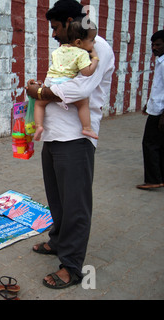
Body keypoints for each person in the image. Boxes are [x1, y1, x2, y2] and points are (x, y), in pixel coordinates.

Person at [25, 0, 115, 289]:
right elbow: (58, 82)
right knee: (57, 198)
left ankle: (72, 267)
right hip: (52, 135)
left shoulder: (95, 46)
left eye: (54, 28)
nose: (52, 34)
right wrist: (41, 91)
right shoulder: (66, 49)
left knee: (76, 205)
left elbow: (80, 89)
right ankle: (58, 241)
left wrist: (40, 91)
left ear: (67, 21)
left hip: (77, 138)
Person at [33, 17, 99, 141]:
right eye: (92, 40)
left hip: (51, 81)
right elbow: (86, 72)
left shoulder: (58, 50)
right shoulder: (82, 53)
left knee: (39, 104)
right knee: (83, 103)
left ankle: (39, 126)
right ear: (79, 42)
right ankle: (87, 127)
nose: (94, 43)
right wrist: (95, 60)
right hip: (65, 83)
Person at [136, 30, 164, 190]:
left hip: (159, 113)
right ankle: (160, 176)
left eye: (158, 45)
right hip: (157, 108)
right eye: (153, 45)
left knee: (150, 144)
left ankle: (153, 179)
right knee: (159, 145)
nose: (154, 48)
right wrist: (148, 103)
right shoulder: (160, 61)